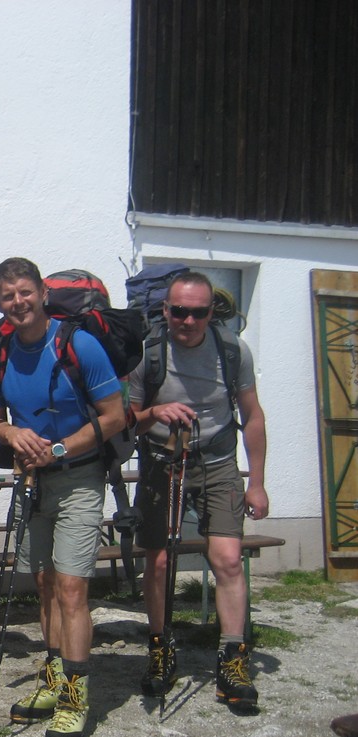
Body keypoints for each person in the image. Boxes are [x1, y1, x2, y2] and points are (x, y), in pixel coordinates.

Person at [0, 257, 124, 737]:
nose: (18, 302)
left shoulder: (79, 345)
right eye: (7, 296)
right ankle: (54, 676)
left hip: (79, 478)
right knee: (43, 586)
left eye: (25, 292)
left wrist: (58, 450)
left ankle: (75, 697)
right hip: (31, 481)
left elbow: (115, 415)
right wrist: (12, 434)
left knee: (71, 588)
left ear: (42, 293)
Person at [128, 271, 268, 713]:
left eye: (198, 312)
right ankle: (160, 649)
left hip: (218, 462)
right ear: (165, 310)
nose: (188, 321)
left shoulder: (232, 350)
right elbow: (127, 420)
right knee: (159, 562)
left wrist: (257, 482)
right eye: (179, 311)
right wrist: (157, 412)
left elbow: (253, 415)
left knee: (228, 559)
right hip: (161, 462)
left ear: (212, 313)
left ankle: (233, 660)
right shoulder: (147, 353)